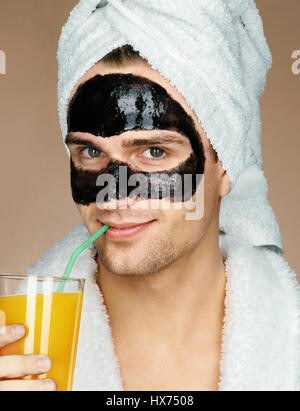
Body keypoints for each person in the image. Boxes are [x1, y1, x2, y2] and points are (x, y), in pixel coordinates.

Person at [0, 0, 299, 391]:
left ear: (226, 166)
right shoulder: (21, 349)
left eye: (154, 152)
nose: (115, 194)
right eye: (92, 152)